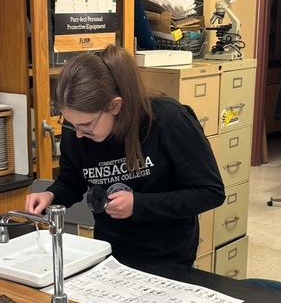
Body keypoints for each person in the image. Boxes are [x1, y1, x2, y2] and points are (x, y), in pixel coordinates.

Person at [24, 45, 225, 270]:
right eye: (71, 124)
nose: (78, 134)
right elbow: (72, 183)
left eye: (86, 125)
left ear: (115, 106)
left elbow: (210, 192)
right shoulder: (78, 131)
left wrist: (138, 205)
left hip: (168, 257)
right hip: (108, 254)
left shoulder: (169, 121)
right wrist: (51, 195)